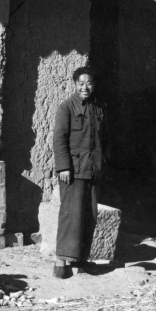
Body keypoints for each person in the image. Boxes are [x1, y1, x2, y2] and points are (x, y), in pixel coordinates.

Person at [52, 66, 108, 279]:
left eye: (89, 83)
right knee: (70, 215)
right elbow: (59, 139)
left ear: (93, 85)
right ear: (75, 84)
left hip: (92, 169)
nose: (85, 87)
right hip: (73, 171)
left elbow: (104, 139)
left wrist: (102, 164)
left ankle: (81, 261)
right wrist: (64, 166)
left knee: (89, 215)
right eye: (81, 83)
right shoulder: (66, 107)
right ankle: (60, 261)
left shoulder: (98, 108)